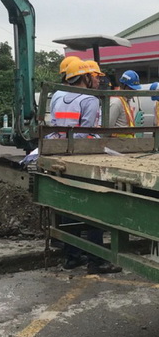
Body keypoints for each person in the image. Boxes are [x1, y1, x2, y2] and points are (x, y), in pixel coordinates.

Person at [53, 59, 122, 275]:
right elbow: (86, 132)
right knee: (95, 209)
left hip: (60, 153)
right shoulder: (89, 100)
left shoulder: (56, 95)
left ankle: (71, 257)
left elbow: (55, 126)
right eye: (94, 76)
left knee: (68, 206)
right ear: (84, 77)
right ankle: (97, 260)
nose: (97, 80)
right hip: (83, 155)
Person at [109, 70, 141, 137]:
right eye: (131, 89)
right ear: (123, 85)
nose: (133, 91)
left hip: (126, 144)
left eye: (134, 89)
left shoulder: (126, 101)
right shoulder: (116, 102)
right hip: (118, 144)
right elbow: (108, 127)